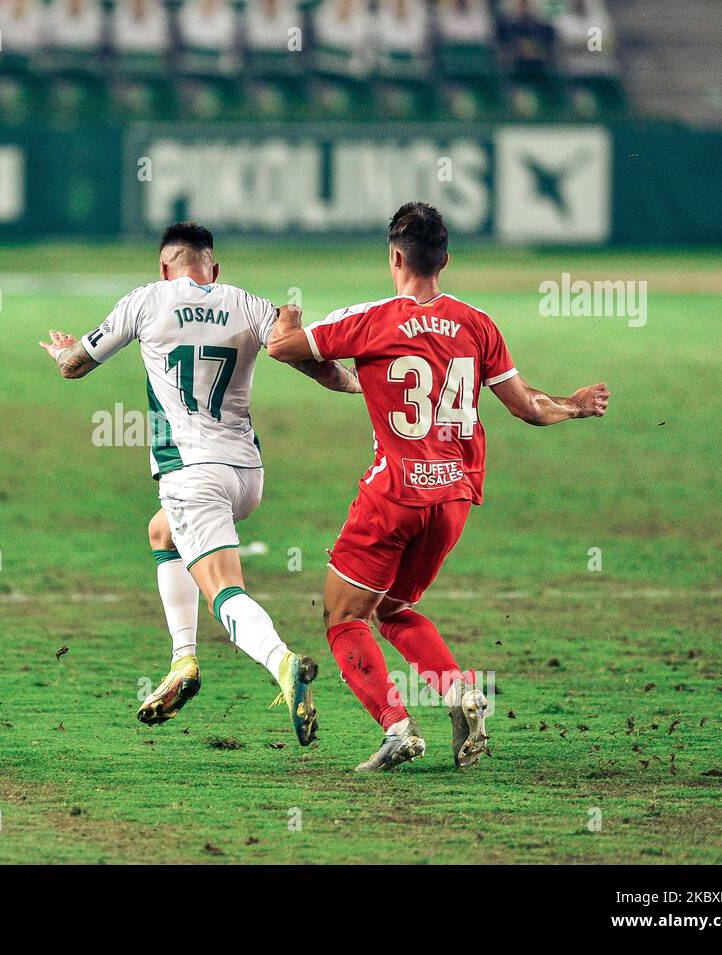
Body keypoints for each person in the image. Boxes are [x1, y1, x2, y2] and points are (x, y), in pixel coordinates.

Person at [267, 202, 609, 771]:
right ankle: (460, 693)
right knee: (397, 608)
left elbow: (284, 347)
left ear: (395, 257)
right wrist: (574, 405)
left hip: (393, 495)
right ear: (445, 259)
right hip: (452, 499)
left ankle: (398, 726)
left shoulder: (370, 319)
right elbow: (527, 407)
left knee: (343, 618)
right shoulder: (477, 324)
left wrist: (288, 318)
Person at [39, 222, 363, 745]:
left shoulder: (147, 300)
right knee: (161, 533)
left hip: (192, 475)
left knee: (225, 591)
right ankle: (183, 661)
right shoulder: (250, 303)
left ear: (164, 267)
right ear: (214, 268)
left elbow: (75, 367)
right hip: (246, 475)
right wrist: (354, 383)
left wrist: (62, 353)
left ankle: (284, 663)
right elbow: (314, 364)